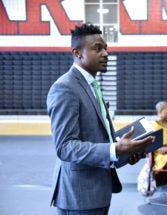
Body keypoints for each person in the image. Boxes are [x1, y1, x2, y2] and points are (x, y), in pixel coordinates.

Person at [47, 24, 154, 215]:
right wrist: (115, 149)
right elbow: (65, 147)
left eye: (106, 48)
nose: (105, 53)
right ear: (77, 53)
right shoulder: (65, 88)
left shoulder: (91, 86)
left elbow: (98, 140)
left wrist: (125, 153)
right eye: (98, 48)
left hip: (98, 191)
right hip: (79, 198)